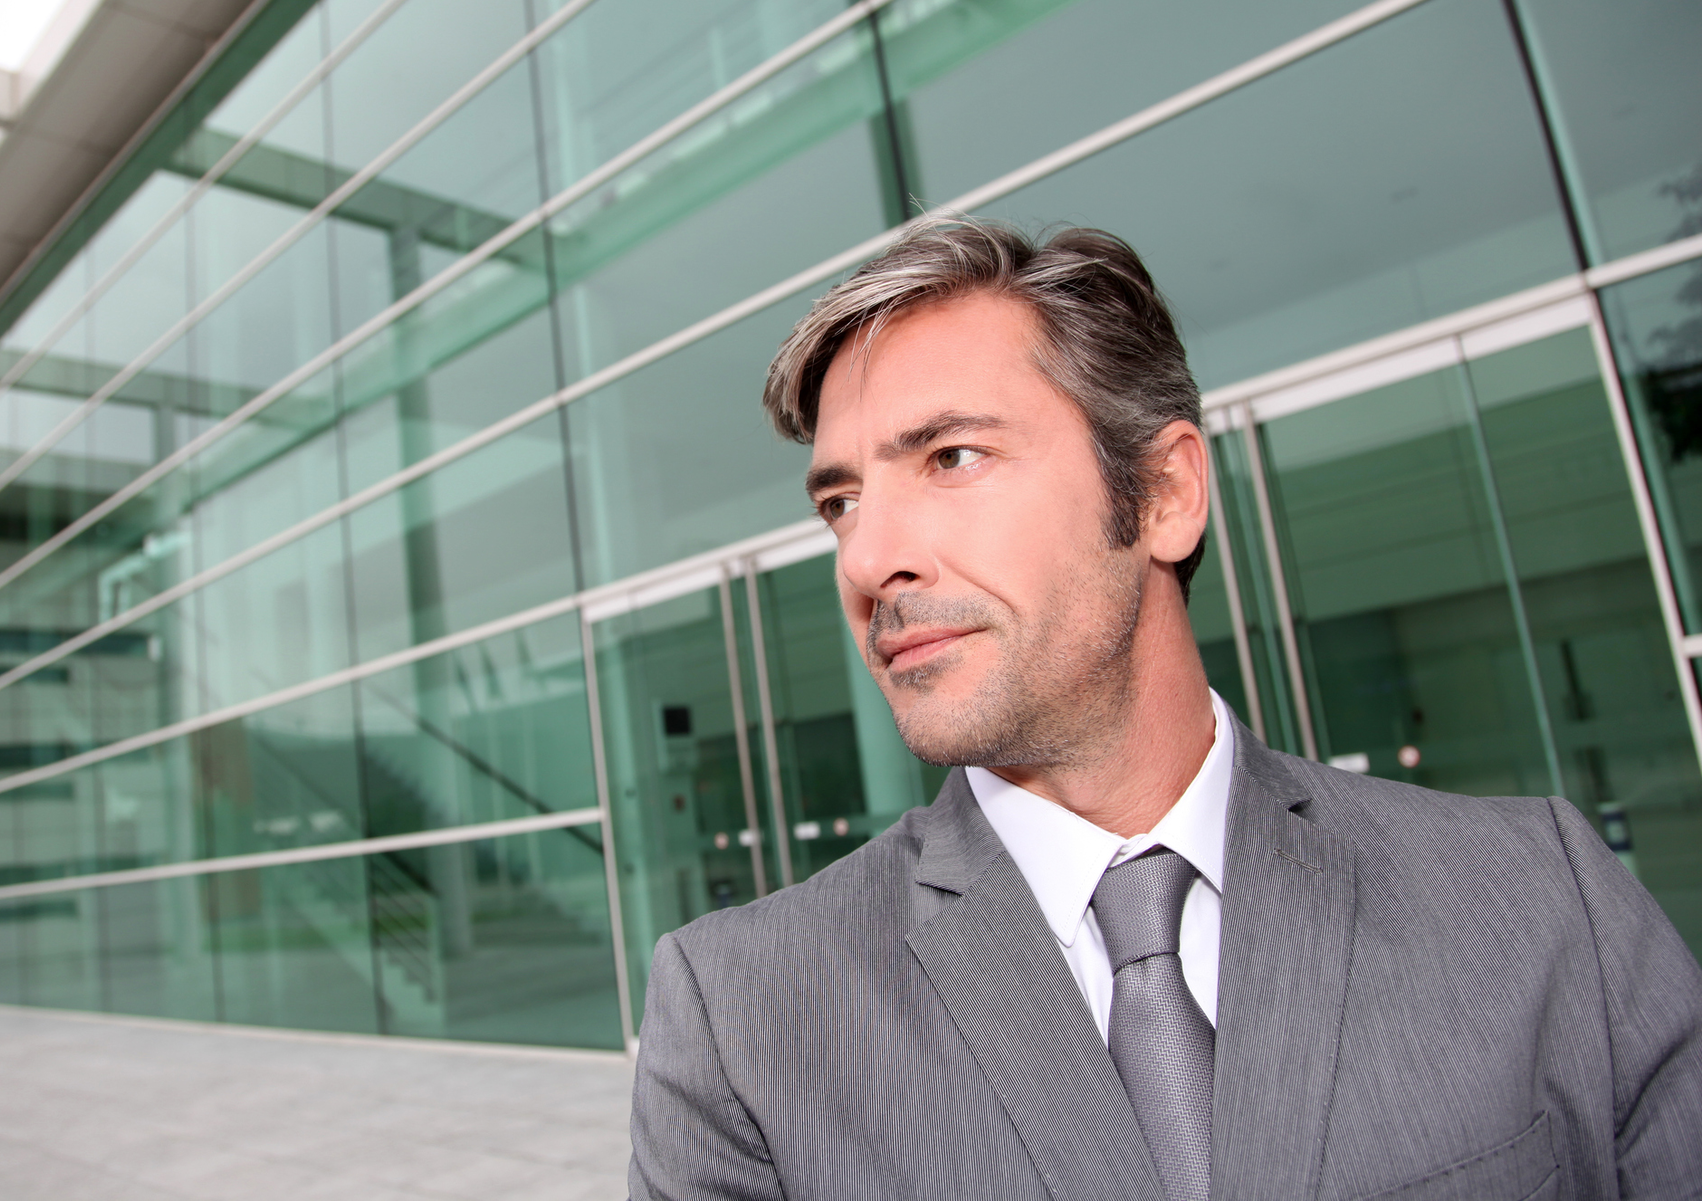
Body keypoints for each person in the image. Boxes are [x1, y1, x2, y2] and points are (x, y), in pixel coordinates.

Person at [625, 218, 1702, 1200]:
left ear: (1167, 493)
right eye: (840, 502)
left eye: (952, 456)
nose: (866, 557)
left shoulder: (1543, 898)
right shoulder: (740, 1017)